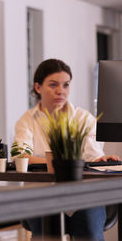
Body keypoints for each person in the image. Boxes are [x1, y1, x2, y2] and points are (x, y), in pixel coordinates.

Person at [14, 58, 120, 240]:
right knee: (45, 229)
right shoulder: (27, 120)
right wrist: (69, 163)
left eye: (66, 85)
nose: (60, 91)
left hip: (83, 196)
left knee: (88, 227)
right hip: (41, 195)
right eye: (53, 85)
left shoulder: (83, 119)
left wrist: (99, 161)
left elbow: (93, 156)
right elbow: (22, 157)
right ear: (38, 88)